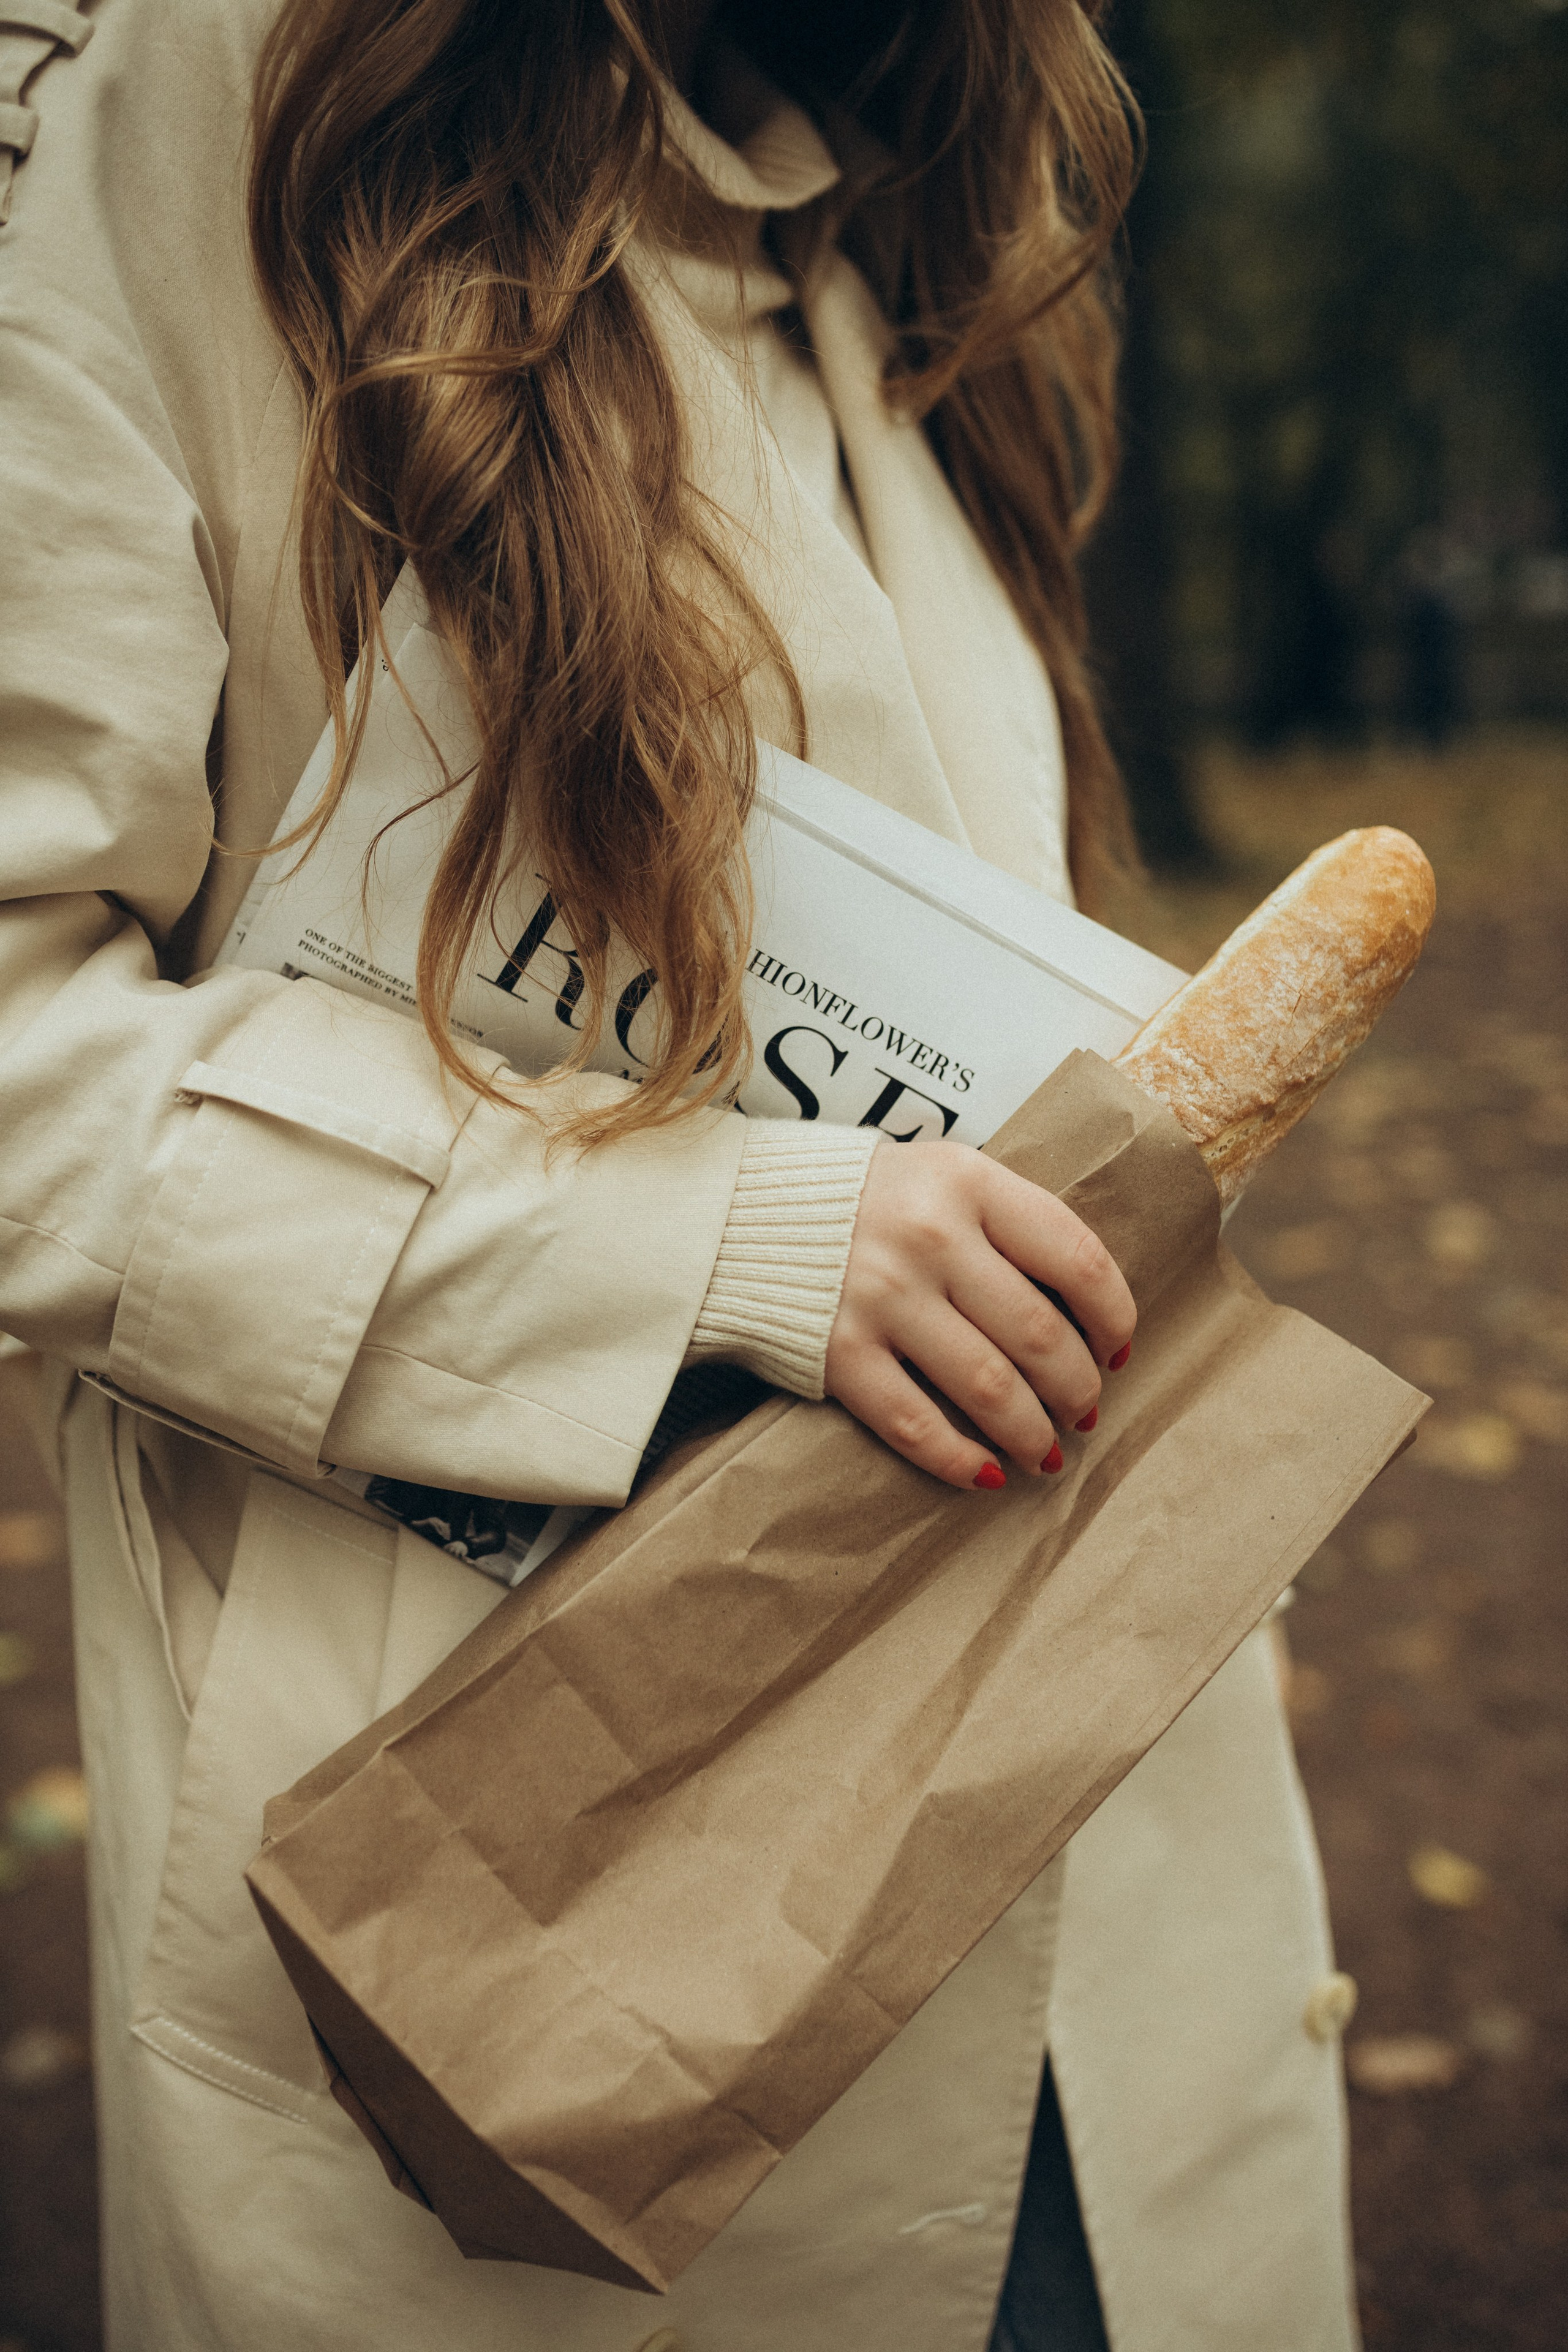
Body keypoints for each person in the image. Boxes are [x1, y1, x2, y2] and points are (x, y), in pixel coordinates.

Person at [0, 0, 1360, 2344]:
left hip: (1069, 1870)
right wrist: (715, 1248)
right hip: (530, 1945)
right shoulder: (180, 111)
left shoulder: (909, 247)